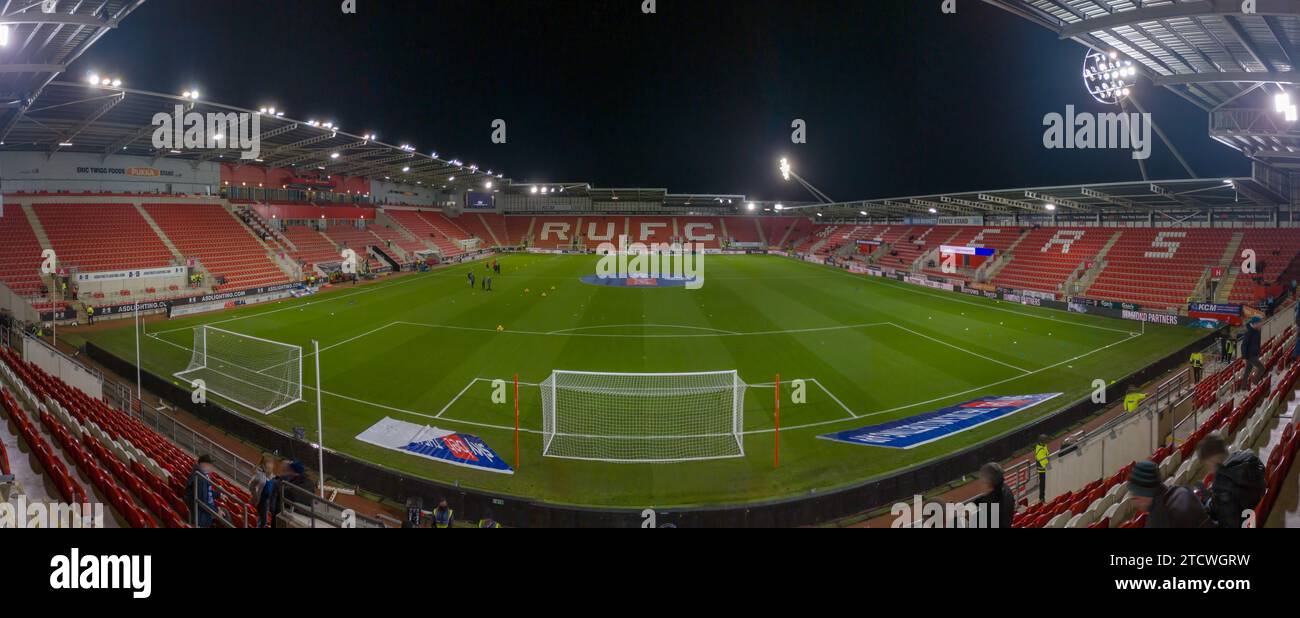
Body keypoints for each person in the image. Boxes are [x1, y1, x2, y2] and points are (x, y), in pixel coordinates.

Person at [1197, 434, 1266, 529]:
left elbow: (1229, 523)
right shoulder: (1250, 458)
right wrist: (1210, 498)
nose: (1208, 469)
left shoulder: (1222, 483)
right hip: (1252, 514)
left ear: (1213, 459)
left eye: (1207, 464)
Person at [1127, 460, 1210, 528]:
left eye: (1136, 496)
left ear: (1146, 494)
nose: (1134, 502)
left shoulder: (1158, 519)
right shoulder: (1182, 491)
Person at [968, 462, 1016, 528]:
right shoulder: (1006, 489)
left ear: (988, 481)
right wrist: (975, 503)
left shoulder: (990, 506)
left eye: (982, 478)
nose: (981, 481)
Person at [185, 455, 222, 528]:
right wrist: (216, 510)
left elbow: (207, 493)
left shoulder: (199, 474)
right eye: (210, 464)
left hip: (197, 509)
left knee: (224, 512)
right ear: (203, 464)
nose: (211, 467)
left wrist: (218, 495)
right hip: (200, 515)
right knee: (226, 514)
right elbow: (202, 502)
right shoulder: (200, 478)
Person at [248, 454, 275, 528]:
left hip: (267, 500)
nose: (271, 465)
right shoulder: (260, 475)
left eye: (272, 463)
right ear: (264, 464)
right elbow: (251, 486)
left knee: (264, 519)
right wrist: (256, 497)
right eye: (269, 463)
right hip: (262, 501)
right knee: (263, 520)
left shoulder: (270, 474)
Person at [1240, 317, 1264, 389]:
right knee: (1262, 368)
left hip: (1255, 354)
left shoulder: (1257, 331)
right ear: (1255, 324)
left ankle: (1243, 387)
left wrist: (1258, 350)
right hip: (1250, 355)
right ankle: (1254, 383)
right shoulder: (1249, 333)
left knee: (1247, 372)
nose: (1261, 324)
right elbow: (1243, 345)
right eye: (1260, 323)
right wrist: (1244, 357)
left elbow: (1256, 343)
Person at [1033, 436, 1050, 503]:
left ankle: (1042, 498)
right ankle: (1041, 498)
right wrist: (1049, 466)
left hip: (1044, 469)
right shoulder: (1040, 449)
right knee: (1042, 484)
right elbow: (1043, 462)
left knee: (1043, 484)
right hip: (1042, 470)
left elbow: (1046, 454)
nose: (1046, 441)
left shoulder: (1043, 446)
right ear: (1041, 441)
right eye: (1045, 440)